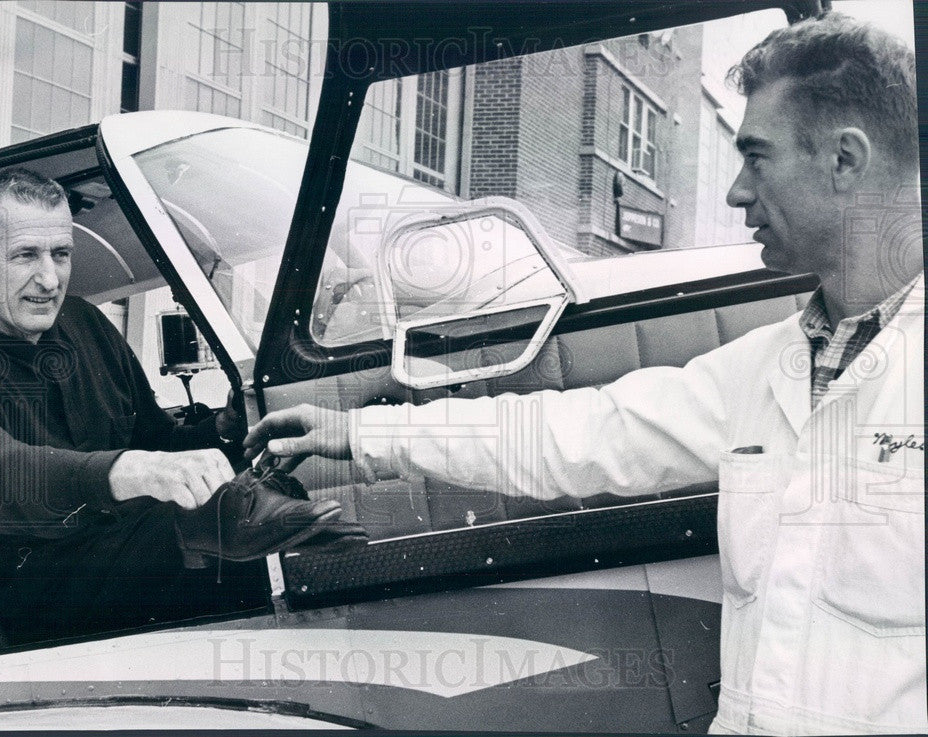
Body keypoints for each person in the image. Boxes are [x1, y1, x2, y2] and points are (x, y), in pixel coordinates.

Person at [244, 13, 925, 735]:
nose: (735, 192)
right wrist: (357, 432)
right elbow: (566, 433)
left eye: (757, 157)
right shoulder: (766, 371)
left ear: (846, 160)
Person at [0, 168, 344, 645]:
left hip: (139, 553)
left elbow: (157, 442)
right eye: (25, 254)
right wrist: (131, 471)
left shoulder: (85, 322)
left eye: (60, 254)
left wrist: (225, 427)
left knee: (272, 521)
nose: (49, 279)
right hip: (48, 602)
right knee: (231, 543)